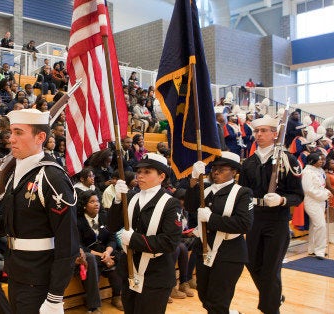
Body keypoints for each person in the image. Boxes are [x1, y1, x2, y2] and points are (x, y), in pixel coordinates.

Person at [0, 109, 79, 313]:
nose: (11, 139)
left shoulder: (52, 177)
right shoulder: (16, 173)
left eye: (19, 133)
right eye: (11, 132)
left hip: (39, 276)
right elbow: (15, 223)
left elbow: (68, 241)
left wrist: (55, 296)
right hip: (16, 269)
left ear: (40, 137)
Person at [238, 115, 303, 314]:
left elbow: (297, 195)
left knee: (271, 269)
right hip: (255, 219)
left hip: (277, 220)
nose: (259, 134)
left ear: (275, 134)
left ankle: (271, 309)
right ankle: (274, 296)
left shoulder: (287, 160)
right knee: (251, 262)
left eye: (264, 131)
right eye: (257, 131)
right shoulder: (249, 163)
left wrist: (282, 200)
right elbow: (243, 192)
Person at [108, 153, 182, 314]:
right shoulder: (131, 197)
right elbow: (112, 226)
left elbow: (170, 242)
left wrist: (134, 239)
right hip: (130, 269)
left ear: (162, 176)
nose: (140, 176)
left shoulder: (171, 204)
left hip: (156, 275)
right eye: (139, 171)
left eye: (147, 172)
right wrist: (118, 201)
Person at [186, 152, 254, 313]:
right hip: (204, 250)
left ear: (234, 172)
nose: (215, 172)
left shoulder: (242, 193)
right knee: (205, 297)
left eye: (221, 169)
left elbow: (244, 224)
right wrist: (194, 180)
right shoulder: (207, 189)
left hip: (228, 253)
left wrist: (211, 218)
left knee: (218, 302)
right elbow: (189, 206)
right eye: (214, 168)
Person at [77, 189, 123, 311]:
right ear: (84, 205)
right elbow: (79, 245)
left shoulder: (104, 216)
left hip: (106, 253)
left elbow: (112, 238)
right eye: (92, 202)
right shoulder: (78, 221)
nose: (96, 204)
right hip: (88, 255)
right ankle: (93, 306)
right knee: (91, 261)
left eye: (97, 201)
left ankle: (117, 297)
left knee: (120, 256)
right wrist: (102, 255)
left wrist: (107, 253)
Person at [300, 153, 331, 259]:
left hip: (320, 201)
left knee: (314, 225)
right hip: (312, 201)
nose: (322, 161)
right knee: (321, 225)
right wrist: (324, 194)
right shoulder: (307, 172)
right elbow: (308, 190)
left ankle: (312, 249)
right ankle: (320, 250)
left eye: (323, 159)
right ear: (312, 161)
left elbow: (321, 186)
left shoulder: (320, 171)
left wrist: (326, 192)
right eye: (319, 159)